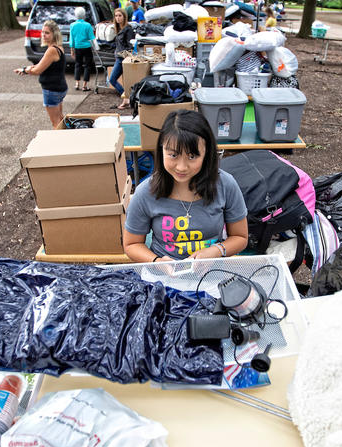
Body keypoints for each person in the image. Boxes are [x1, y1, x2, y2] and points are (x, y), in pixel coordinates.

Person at [124, 110, 249, 262]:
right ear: (161, 149)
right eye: (173, 155)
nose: (182, 167)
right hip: (163, 274)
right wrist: (156, 261)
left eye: (192, 156)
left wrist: (217, 250)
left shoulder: (225, 184)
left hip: (211, 271)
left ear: (206, 154)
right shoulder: (145, 192)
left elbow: (240, 237)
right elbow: (132, 244)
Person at [14, 20, 68, 129]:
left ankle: (60, 143)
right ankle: (65, 138)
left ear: (54, 34)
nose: (43, 35)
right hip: (59, 88)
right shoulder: (58, 47)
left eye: (47, 33)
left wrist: (26, 70)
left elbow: (38, 70)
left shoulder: (52, 50)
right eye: (42, 32)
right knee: (60, 119)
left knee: (56, 123)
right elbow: (41, 65)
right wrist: (26, 69)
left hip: (52, 90)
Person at [109, 8, 135, 110]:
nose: (118, 18)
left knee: (112, 79)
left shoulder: (128, 29)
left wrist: (125, 56)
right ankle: (126, 99)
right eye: (116, 16)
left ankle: (126, 98)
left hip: (122, 59)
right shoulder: (119, 28)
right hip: (118, 57)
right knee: (123, 80)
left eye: (120, 16)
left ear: (124, 17)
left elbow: (130, 46)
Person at [69, 6, 95, 91]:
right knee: (87, 65)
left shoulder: (72, 25)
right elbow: (92, 37)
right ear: (84, 15)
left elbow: (71, 38)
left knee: (77, 64)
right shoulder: (88, 25)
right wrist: (95, 47)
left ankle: (77, 83)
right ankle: (84, 85)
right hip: (87, 47)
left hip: (77, 47)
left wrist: (72, 50)